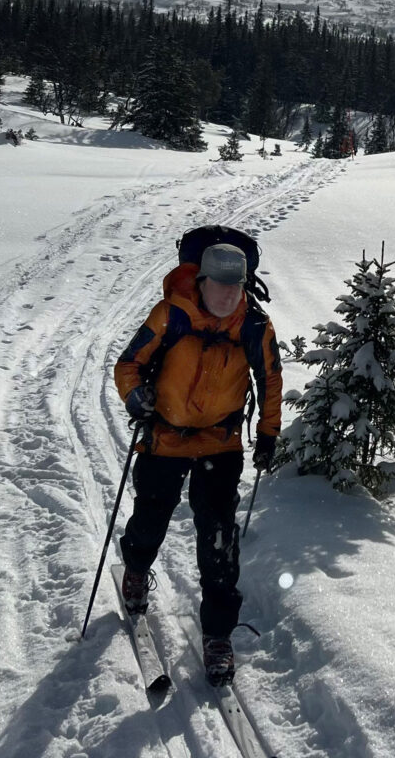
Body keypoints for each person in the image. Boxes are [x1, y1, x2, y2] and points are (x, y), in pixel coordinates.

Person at [114, 241, 283, 686]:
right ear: (202, 281)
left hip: (220, 444)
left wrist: (268, 434)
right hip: (165, 439)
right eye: (219, 286)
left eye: (235, 287)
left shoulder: (255, 326)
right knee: (150, 517)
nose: (227, 296)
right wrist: (137, 399)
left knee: (219, 540)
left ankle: (218, 635)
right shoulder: (170, 315)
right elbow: (129, 364)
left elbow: (270, 380)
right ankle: (135, 570)